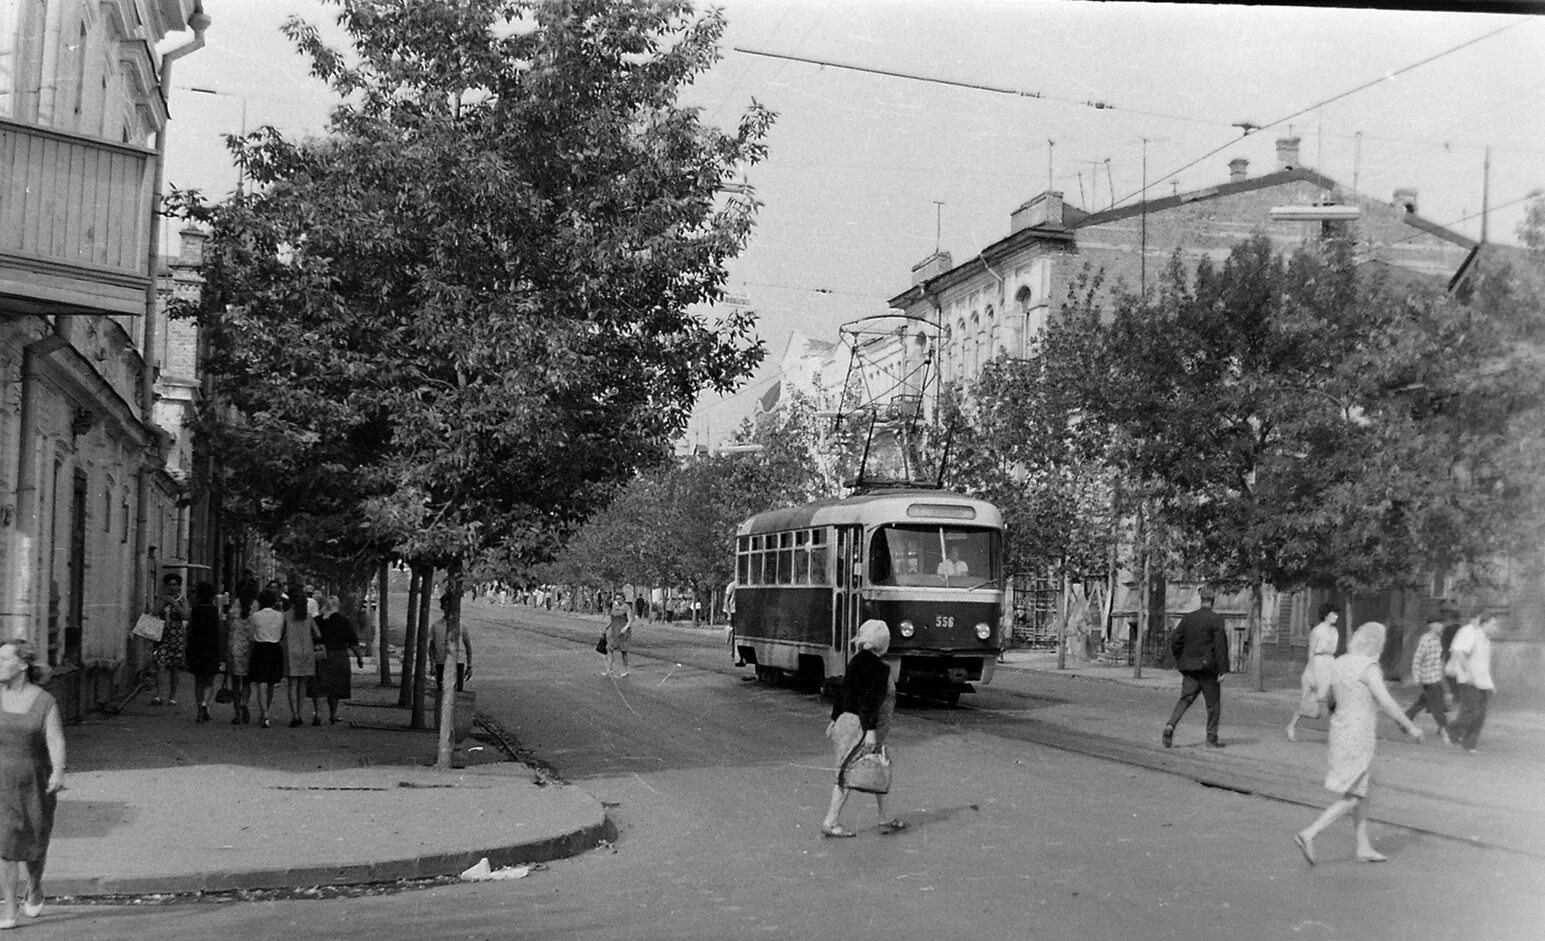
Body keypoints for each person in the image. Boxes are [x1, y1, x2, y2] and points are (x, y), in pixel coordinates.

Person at [1293, 622, 1423, 865]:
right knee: (1355, 795)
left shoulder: (1339, 662)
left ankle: (1363, 847)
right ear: (1376, 645)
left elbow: (1326, 697)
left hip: (1340, 731)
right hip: (1358, 734)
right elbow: (1385, 701)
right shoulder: (1368, 667)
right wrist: (1409, 725)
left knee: (1362, 790)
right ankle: (1309, 833)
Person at [0, 641, 65, 927]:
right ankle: (9, 908)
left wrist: (59, 771)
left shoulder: (44, 702)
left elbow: (55, 739)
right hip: (2, 780)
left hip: (34, 780)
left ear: (22, 665)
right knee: (5, 844)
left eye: (3, 659)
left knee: (35, 843)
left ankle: (35, 886)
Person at [821, 618, 904, 838]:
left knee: (878, 767)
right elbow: (870, 701)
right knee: (847, 774)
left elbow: (844, 692)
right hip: (861, 727)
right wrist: (870, 732)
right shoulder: (879, 668)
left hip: (846, 722)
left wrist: (833, 719)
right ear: (883, 642)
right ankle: (830, 821)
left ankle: (885, 818)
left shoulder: (856, 661)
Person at [1163, 587, 1229, 749]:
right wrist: (1223, 670)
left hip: (1190, 668)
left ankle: (1171, 724)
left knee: (1185, 699)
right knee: (1213, 705)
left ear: (1201, 599)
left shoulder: (1188, 618)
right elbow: (1221, 647)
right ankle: (1211, 739)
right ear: (1213, 600)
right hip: (1208, 671)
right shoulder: (1216, 620)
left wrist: (1180, 658)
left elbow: (1175, 639)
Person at [1447, 613, 1499, 754]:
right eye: (1493, 624)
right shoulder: (1472, 635)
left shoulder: (1486, 641)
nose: (1496, 628)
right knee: (1472, 712)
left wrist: (1491, 684)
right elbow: (1460, 652)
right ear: (1484, 624)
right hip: (1469, 681)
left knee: (1480, 715)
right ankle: (1451, 730)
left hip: (1481, 682)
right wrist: (1468, 672)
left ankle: (1469, 745)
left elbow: (1483, 665)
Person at [1286, 603, 1340, 741]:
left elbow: (1333, 649)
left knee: (1334, 697)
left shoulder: (1335, 632)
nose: (1336, 617)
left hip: (1330, 662)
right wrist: (1311, 670)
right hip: (1318, 662)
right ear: (1327, 616)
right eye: (1333, 614)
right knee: (1311, 704)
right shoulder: (1317, 631)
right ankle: (1291, 725)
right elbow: (1311, 651)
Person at [1402, 616, 1451, 744]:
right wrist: (1416, 676)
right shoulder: (1426, 640)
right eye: (1439, 624)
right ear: (1432, 625)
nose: (1441, 627)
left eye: (1442, 624)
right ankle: (1444, 731)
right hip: (1428, 678)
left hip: (1436, 677)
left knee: (1423, 702)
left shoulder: (1438, 639)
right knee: (1437, 706)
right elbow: (1417, 659)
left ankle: (1402, 721)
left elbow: (1439, 659)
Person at [318, 595, 365, 724]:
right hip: (339, 656)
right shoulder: (343, 621)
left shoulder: (318, 620)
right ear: (337, 606)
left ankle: (317, 713)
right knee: (335, 687)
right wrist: (359, 658)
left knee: (319, 685)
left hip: (321, 655)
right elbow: (352, 641)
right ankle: (333, 714)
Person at [184, 582, 223, 724]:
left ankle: (199, 709)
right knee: (210, 680)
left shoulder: (194, 611)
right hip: (211, 649)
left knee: (198, 681)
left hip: (196, 648)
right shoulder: (215, 611)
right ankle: (206, 703)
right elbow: (218, 633)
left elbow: (189, 628)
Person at [282, 586, 322, 727]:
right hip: (307, 651)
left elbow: (281, 633)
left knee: (292, 684)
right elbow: (318, 634)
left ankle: (295, 715)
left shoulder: (286, 616)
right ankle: (300, 710)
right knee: (303, 684)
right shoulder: (309, 617)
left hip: (291, 651)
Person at [247, 589, 286, 728]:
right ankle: (266, 710)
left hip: (260, 648)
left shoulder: (255, 616)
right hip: (275, 648)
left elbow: (251, 635)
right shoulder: (280, 616)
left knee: (261, 681)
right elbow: (281, 633)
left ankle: (264, 712)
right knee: (271, 682)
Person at [151, 571, 189, 707]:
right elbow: (154, 613)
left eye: (174, 585)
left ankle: (172, 696)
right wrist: (163, 602)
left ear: (179, 586)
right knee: (160, 664)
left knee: (174, 668)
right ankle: (159, 694)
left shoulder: (183, 600)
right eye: (169, 585)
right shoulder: (162, 599)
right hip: (163, 636)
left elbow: (186, 615)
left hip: (177, 636)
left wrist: (175, 604)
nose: (172, 587)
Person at [226, 582, 257, 724]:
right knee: (247, 682)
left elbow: (228, 626)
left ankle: (237, 711)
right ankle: (245, 702)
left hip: (234, 647)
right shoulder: (255, 609)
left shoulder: (234, 609)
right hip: (249, 648)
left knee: (235, 682)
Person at [430, 594, 474, 691]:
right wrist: (432, 665)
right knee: (442, 691)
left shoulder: (460, 626)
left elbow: (468, 647)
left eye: (451, 605)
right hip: (441, 662)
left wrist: (469, 666)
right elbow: (432, 647)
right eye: (446, 605)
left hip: (458, 663)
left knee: (457, 692)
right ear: (442, 607)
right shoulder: (436, 626)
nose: (448, 608)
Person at [599, 594, 632, 677]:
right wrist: (606, 628)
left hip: (623, 632)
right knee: (609, 649)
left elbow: (630, 619)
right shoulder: (614, 607)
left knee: (623, 651)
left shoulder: (627, 607)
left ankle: (626, 670)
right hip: (614, 631)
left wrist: (625, 628)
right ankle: (609, 670)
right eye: (616, 599)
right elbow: (612, 619)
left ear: (623, 599)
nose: (618, 600)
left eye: (619, 599)